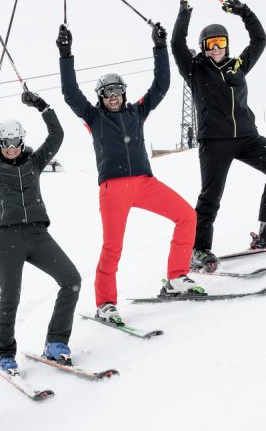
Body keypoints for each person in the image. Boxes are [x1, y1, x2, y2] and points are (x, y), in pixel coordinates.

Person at [57, 21, 203, 326]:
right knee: (113, 246)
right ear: (100, 97)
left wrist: (160, 47)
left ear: (124, 93)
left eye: (117, 91)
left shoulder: (137, 111)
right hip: (114, 189)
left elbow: (161, 85)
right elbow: (70, 94)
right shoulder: (93, 117)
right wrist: (66, 54)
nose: (113, 96)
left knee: (187, 216)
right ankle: (106, 304)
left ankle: (176, 277)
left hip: (145, 183)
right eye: (107, 92)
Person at [171, 0, 266, 273]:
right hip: (215, 142)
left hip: (246, 136)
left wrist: (245, 12)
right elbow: (176, 45)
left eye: (220, 43)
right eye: (210, 44)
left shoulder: (238, 65)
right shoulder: (195, 69)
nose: (216, 48)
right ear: (204, 47)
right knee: (211, 196)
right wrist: (183, 16)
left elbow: (260, 39)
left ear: (226, 44)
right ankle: (199, 249)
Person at [0, 88, 81, 369]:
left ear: (22, 140)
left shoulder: (34, 162)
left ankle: (56, 342)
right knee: (11, 297)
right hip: (6, 238)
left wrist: (42, 106)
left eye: (15, 141)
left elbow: (57, 136)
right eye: (5, 142)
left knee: (71, 280)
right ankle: (4, 354)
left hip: (38, 235)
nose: (11, 146)